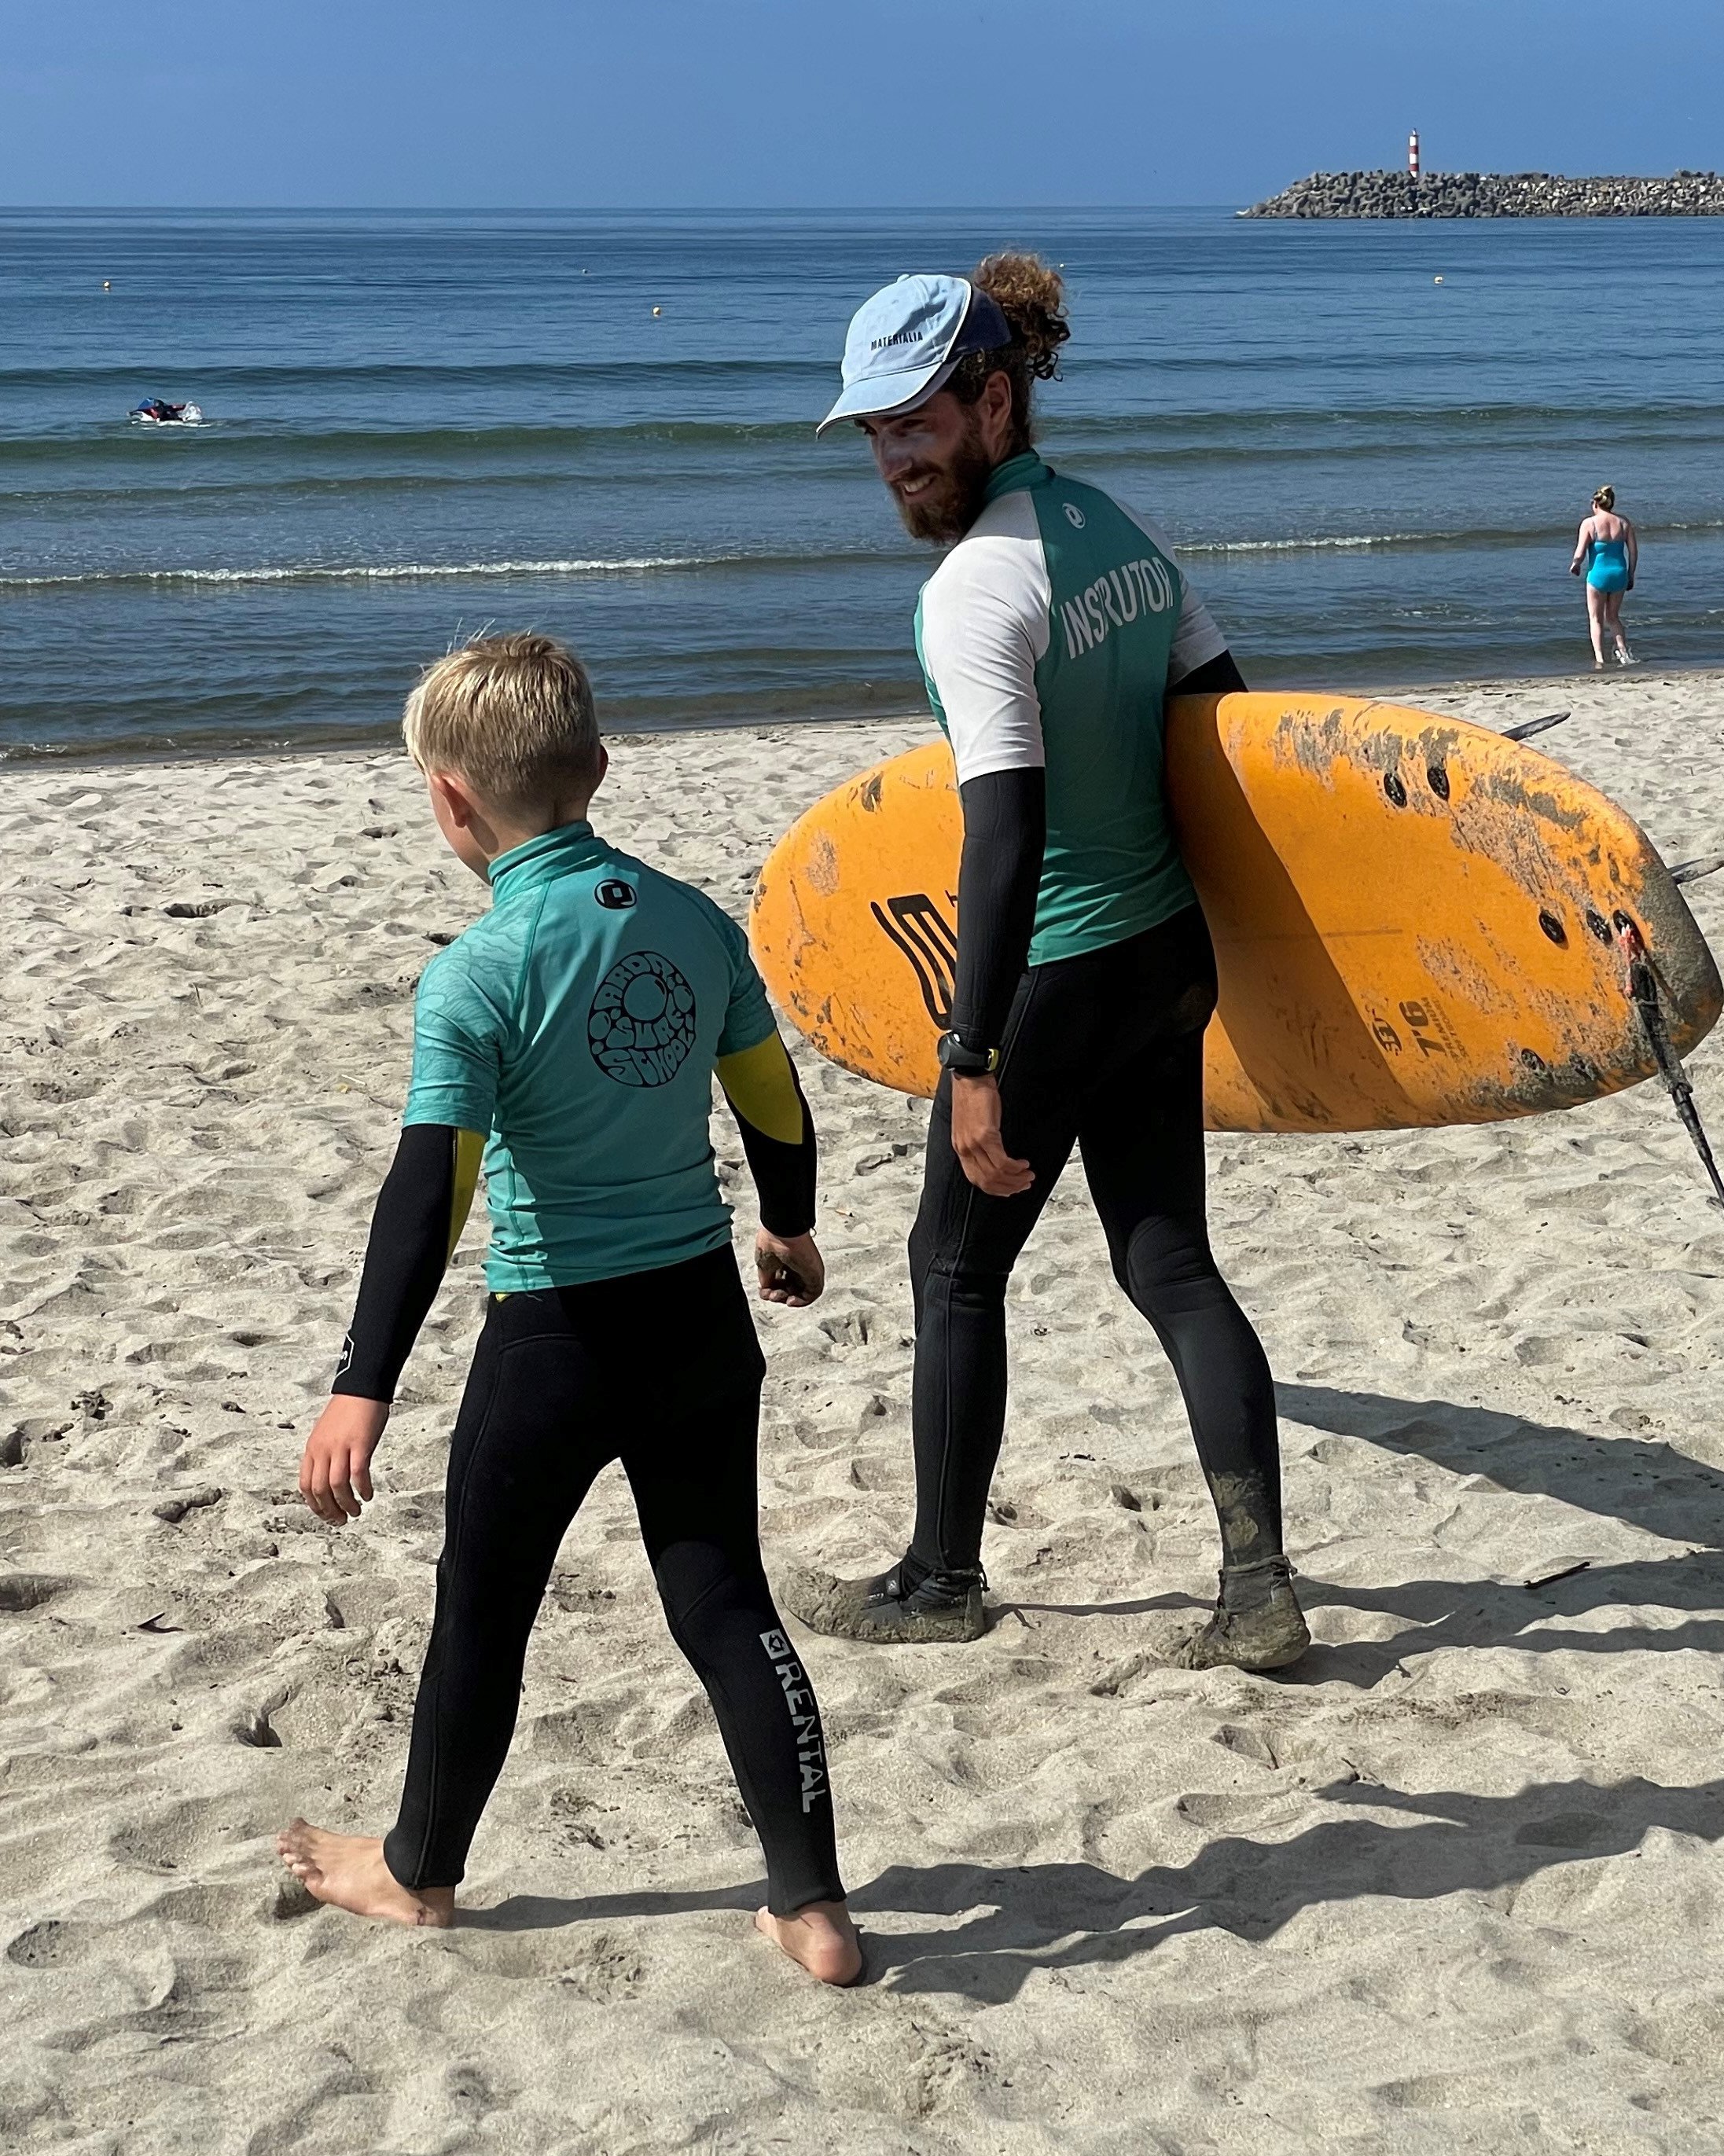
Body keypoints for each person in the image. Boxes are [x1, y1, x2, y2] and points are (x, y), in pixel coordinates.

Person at [276, 633, 859, 1985]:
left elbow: (432, 1190)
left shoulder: (476, 975)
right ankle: (812, 1900)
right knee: (723, 1596)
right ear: (596, 771)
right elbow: (772, 1101)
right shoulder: (693, 921)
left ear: (447, 801)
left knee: (483, 1607)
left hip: (553, 1339)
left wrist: (363, 1379)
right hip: (698, 1322)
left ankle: (417, 1871)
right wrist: (788, 1221)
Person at [796, 255, 1307, 1672]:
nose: (895, 455)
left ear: (993, 397)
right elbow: (1222, 731)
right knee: (1167, 1261)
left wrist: (971, 1058)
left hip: (1061, 971)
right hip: (1162, 958)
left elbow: (1002, 838)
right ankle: (1256, 1585)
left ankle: (941, 1577)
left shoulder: (972, 592)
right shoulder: (1121, 536)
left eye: (917, 421)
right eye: (876, 431)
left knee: (951, 1267)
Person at [1569, 485, 1638, 669]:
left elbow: (1580, 552)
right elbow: (1633, 552)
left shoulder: (1589, 523)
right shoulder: (1624, 523)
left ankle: (1600, 659)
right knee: (1613, 617)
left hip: (1598, 575)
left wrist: (1576, 565)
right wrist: (1631, 574)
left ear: (1595, 504)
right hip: (1619, 573)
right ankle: (1623, 653)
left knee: (1596, 619)